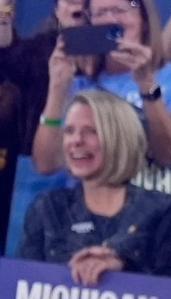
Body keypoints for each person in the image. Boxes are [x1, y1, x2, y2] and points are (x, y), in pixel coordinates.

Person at [19, 90, 171, 282]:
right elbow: (22, 291)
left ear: (119, 138)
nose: (76, 140)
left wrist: (124, 267)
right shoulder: (47, 209)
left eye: (91, 131)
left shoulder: (162, 211)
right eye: (69, 131)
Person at [31, 0, 171, 172]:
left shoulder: (166, 78)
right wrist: (57, 88)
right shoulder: (79, 87)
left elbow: (167, 155)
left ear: (143, 20)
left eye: (119, 10)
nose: (110, 20)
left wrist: (147, 85)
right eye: (100, 13)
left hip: (154, 196)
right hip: (87, 197)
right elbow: (46, 165)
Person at [0, 0, 101, 153]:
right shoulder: (40, 52)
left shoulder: (120, 53)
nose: (77, 1)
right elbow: (0, 51)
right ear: (56, 10)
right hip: (45, 173)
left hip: (109, 164)